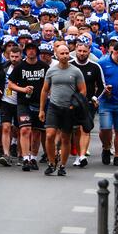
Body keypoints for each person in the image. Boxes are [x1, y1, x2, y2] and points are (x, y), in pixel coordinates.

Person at [40, 44, 86, 176]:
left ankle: (62, 165)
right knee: (49, 136)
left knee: (66, 138)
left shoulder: (76, 71)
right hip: (53, 107)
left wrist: (75, 104)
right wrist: (42, 110)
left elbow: (83, 90)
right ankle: (51, 162)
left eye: (67, 53)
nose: (65, 56)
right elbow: (44, 90)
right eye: (62, 53)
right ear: (57, 54)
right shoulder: (51, 71)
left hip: (69, 109)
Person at [8, 42, 48, 172]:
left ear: (37, 51)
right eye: (29, 50)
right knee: (25, 130)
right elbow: (10, 84)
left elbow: (49, 84)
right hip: (23, 103)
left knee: (36, 132)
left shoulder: (44, 66)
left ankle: (33, 158)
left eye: (33, 49)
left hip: (40, 103)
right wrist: (23, 89)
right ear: (25, 52)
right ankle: (25, 158)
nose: (31, 52)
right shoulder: (20, 66)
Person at [71, 41, 105, 167]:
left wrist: (96, 98)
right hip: (73, 103)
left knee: (85, 129)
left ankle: (82, 156)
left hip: (88, 103)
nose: (82, 53)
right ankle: (77, 155)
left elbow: (102, 86)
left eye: (84, 51)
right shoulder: (70, 65)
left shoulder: (95, 67)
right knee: (76, 130)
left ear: (89, 51)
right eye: (79, 51)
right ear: (75, 50)